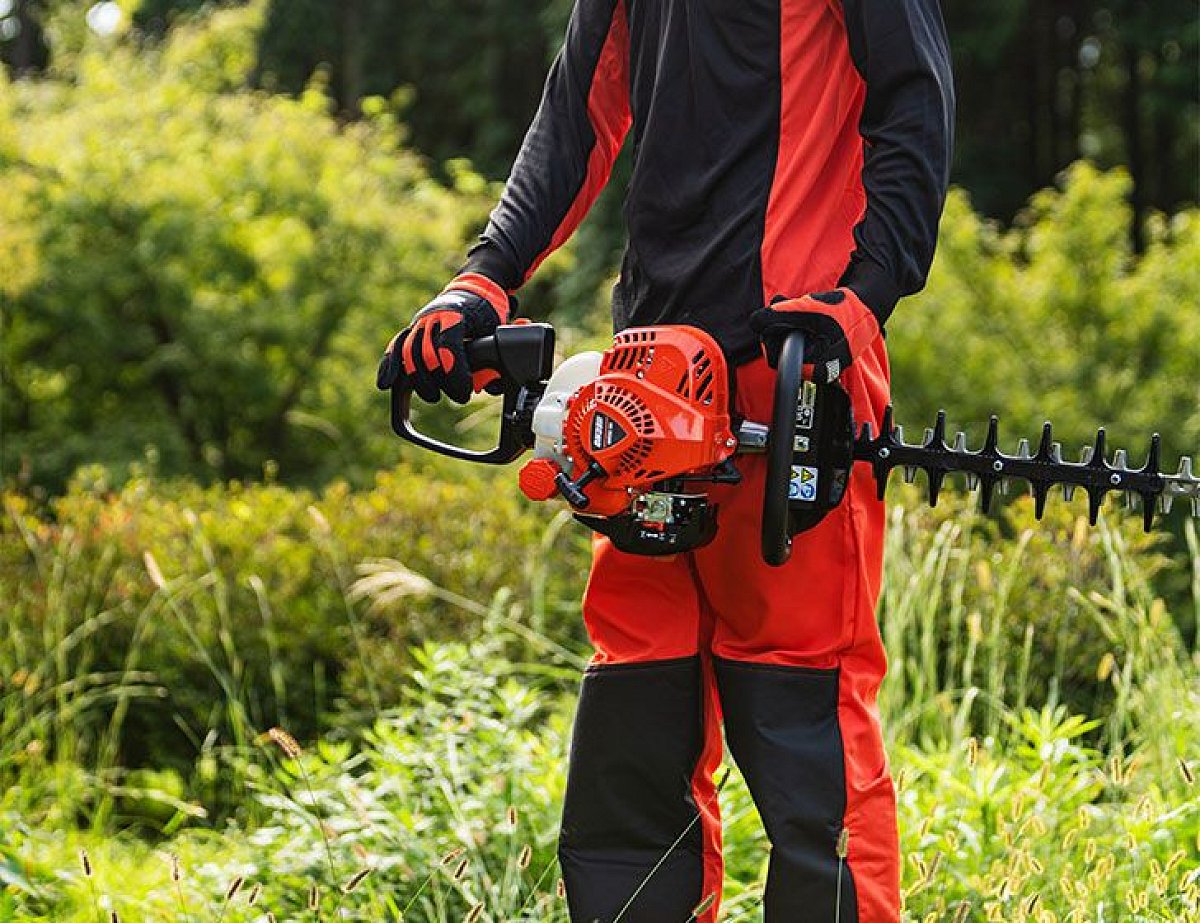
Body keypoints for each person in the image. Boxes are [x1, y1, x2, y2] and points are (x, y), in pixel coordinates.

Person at [377, 0, 954, 919]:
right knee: (637, 720)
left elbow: (915, 100)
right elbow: (578, 112)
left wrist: (866, 292)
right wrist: (483, 278)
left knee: (808, 727)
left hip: (792, 364)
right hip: (647, 381)